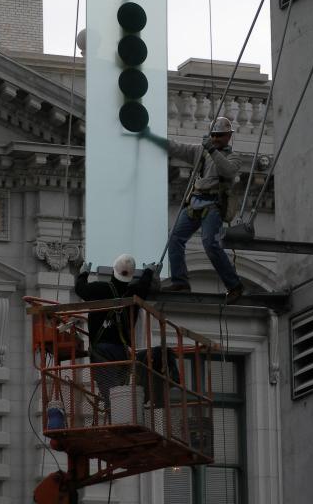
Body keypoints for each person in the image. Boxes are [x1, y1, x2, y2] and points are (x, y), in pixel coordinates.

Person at [140, 116, 244, 303]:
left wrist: (212, 150)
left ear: (228, 136)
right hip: (195, 202)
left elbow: (228, 171)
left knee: (210, 245)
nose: (215, 139)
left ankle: (234, 285)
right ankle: (181, 282)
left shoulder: (232, 157)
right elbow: (175, 147)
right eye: (213, 135)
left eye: (219, 136)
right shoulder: (200, 152)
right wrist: (150, 137)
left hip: (213, 205)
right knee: (175, 238)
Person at [74, 255, 177, 410]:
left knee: (111, 393)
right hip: (122, 352)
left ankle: (119, 419)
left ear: (113, 271)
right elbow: (144, 284)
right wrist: (149, 271)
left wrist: (83, 273)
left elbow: (81, 289)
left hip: (102, 352)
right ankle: (126, 415)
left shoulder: (100, 288)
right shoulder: (135, 292)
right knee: (121, 389)